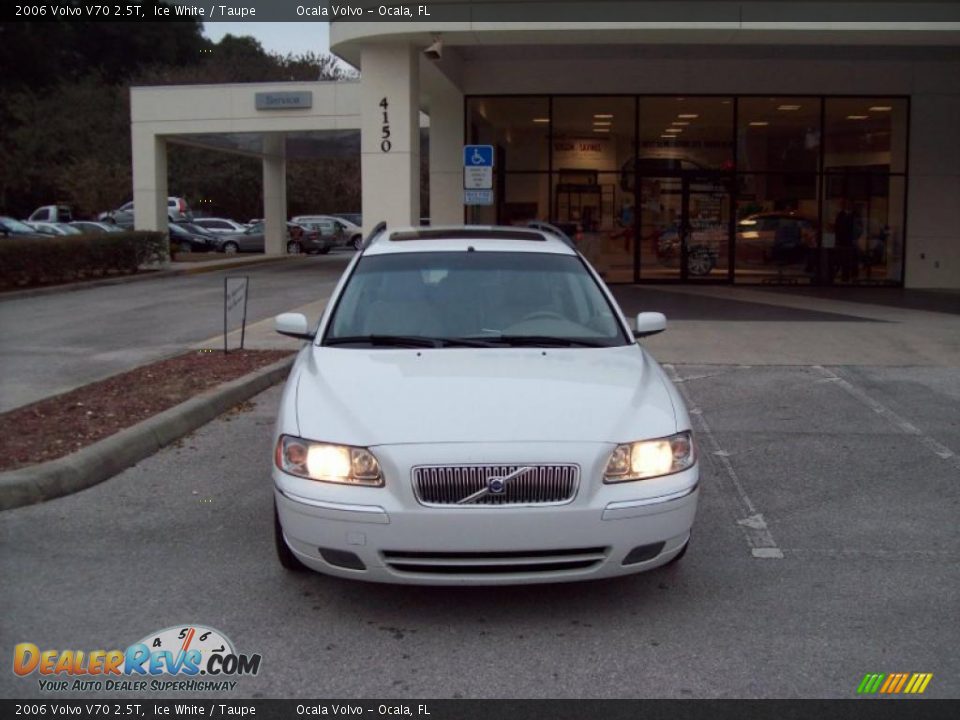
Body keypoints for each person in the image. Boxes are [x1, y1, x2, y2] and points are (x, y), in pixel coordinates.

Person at [833, 200, 859, 282]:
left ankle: (853, 275)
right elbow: (837, 227)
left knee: (853, 258)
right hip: (843, 241)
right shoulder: (841, 215)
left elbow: (858, 227)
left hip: (852, 240)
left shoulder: (855, 215)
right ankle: (845, 275)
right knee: (844, 259)